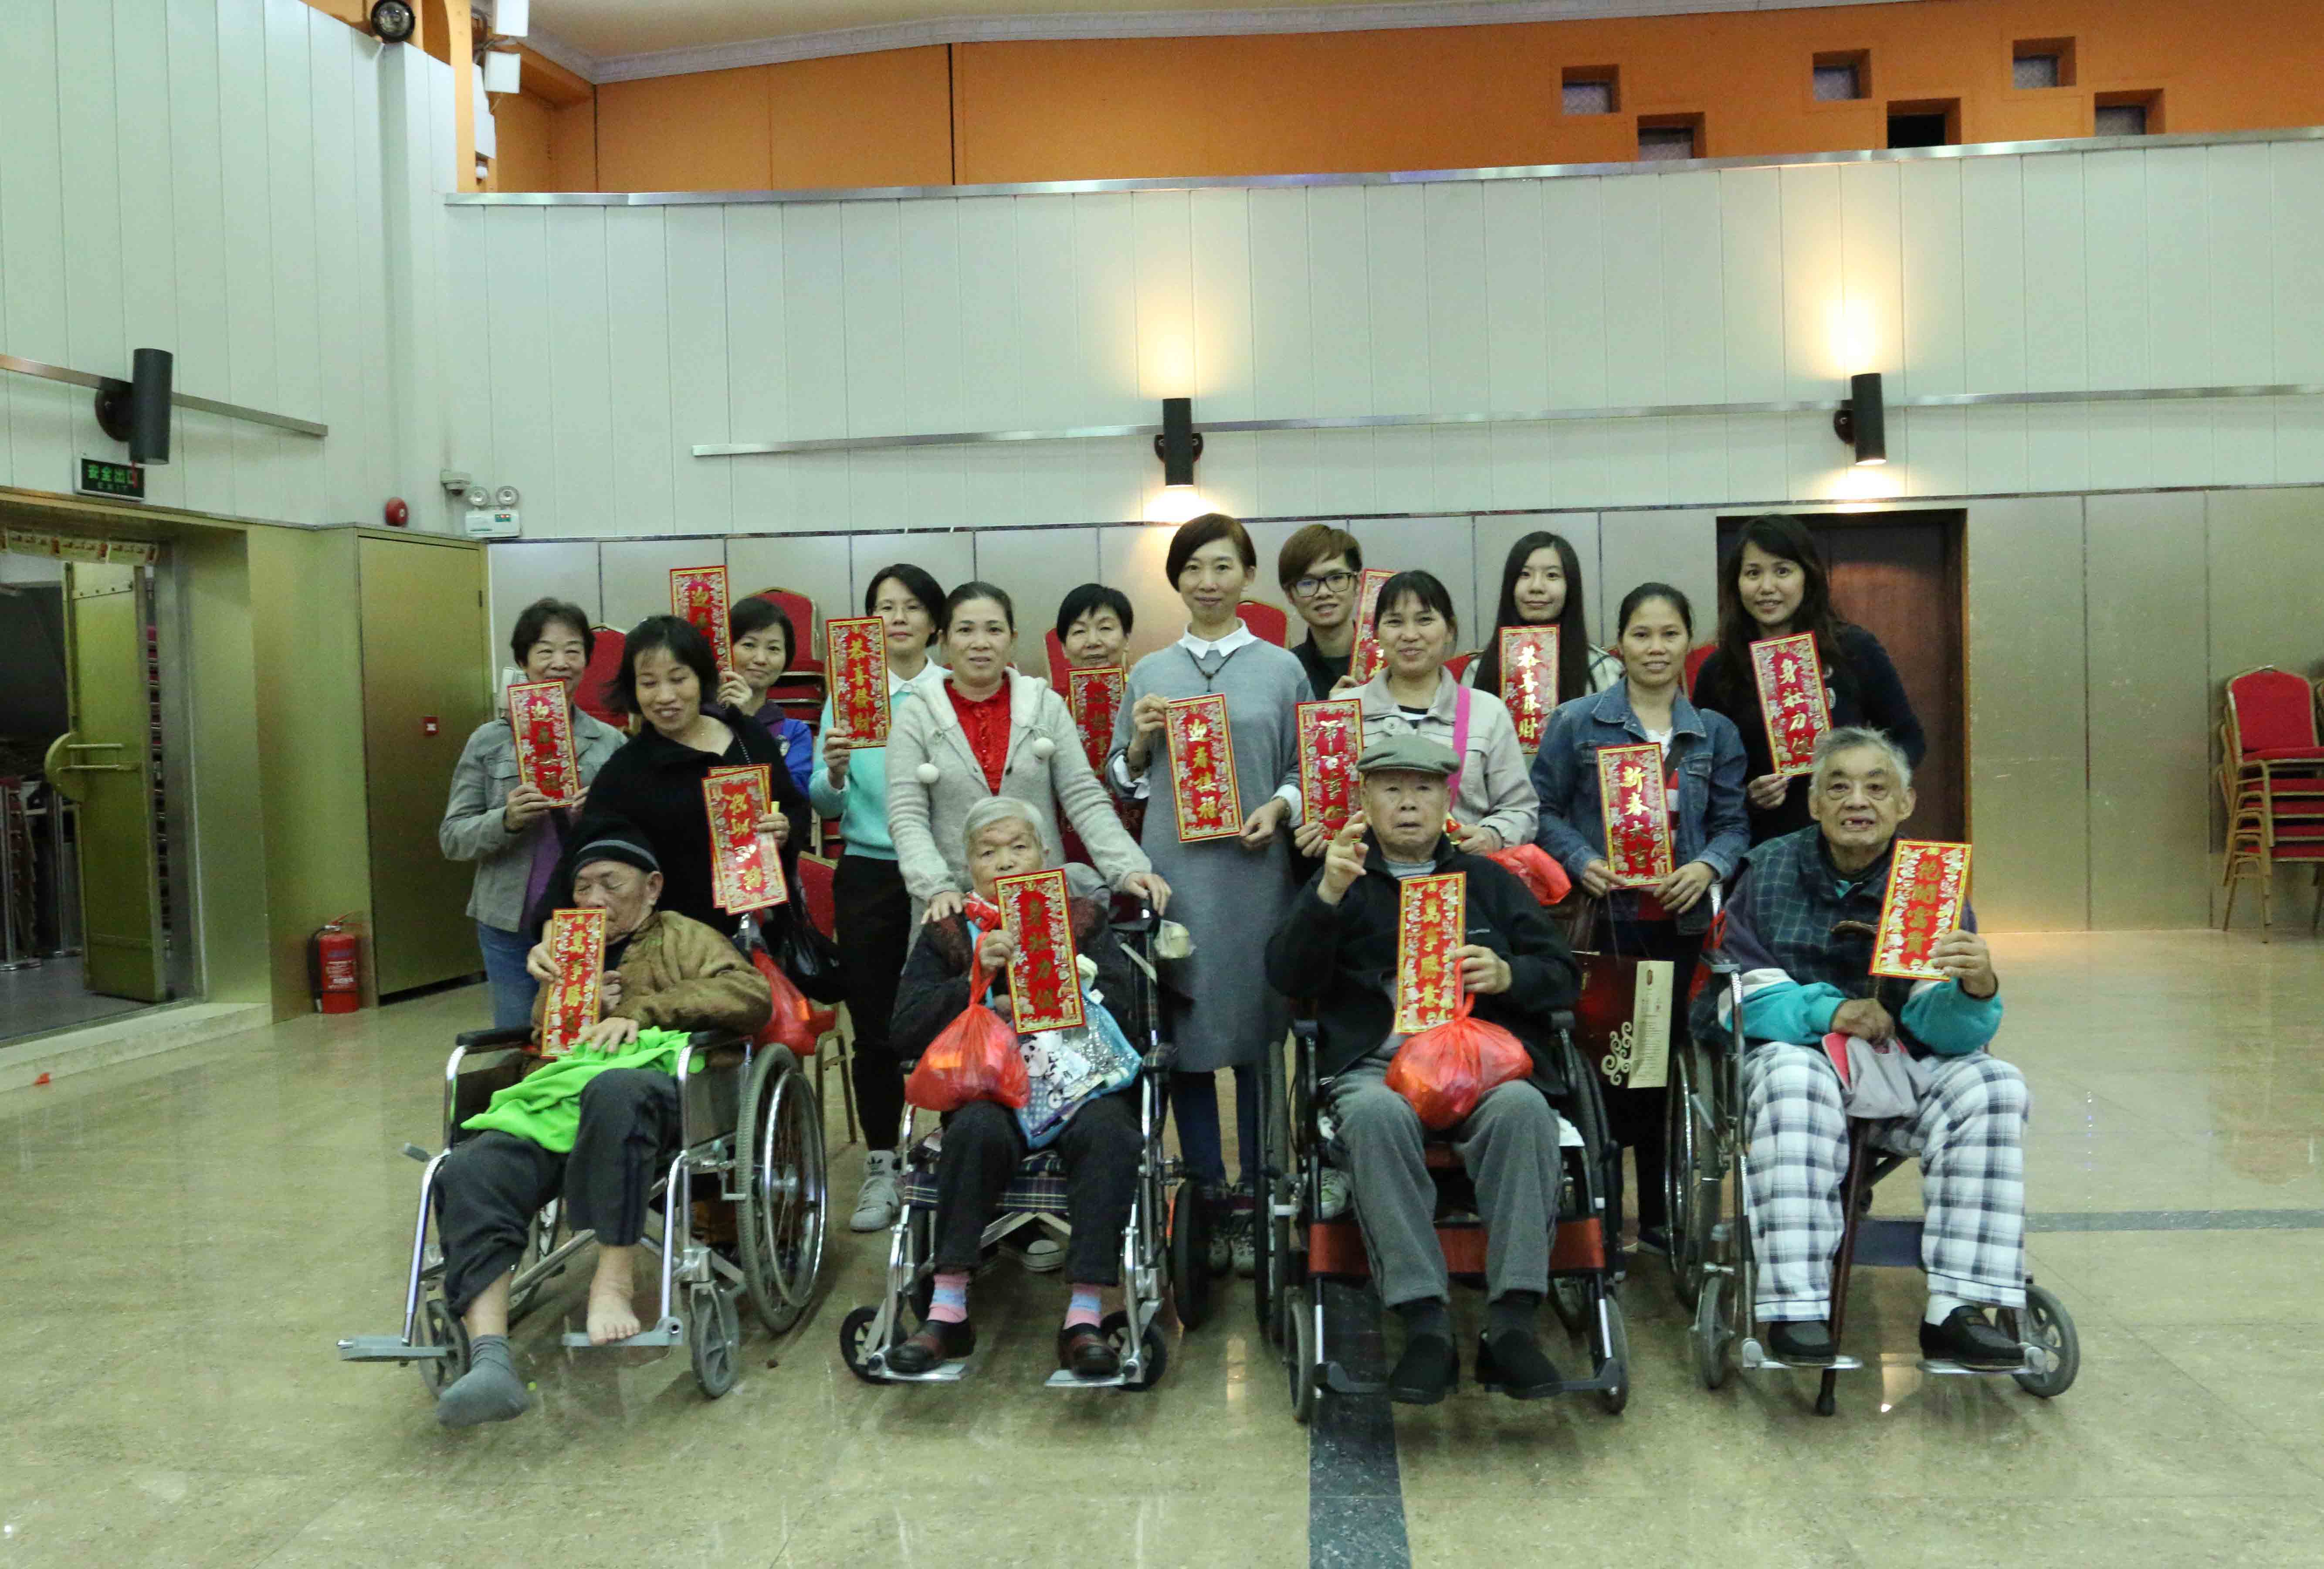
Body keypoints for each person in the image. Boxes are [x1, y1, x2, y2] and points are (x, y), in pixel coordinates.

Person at [1265, 736, 1582, 1404]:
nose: (1407, 804)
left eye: (1423, 790)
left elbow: (1561, 975)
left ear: (1446, 801)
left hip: (1479, 1066)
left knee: (1525, 1111)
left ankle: (1511, 1322)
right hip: (1376, 1069)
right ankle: (1425, 1323)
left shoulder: (1487, 881)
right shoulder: (1342, 879)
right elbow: (1286, 977)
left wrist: (1509, 974)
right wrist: (1326, 895)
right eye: (1391, 789)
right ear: (1365, 800)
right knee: (1374, 1116)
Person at [431, 828, 773, 1428]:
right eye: (582, 886)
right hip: (559, 1099)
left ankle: (611, 1283)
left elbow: (748, 995)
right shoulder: (566, 946)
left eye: (610, 884)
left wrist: (641, 1010)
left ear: (652, 887)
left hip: (657, 1096)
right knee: (472, 1166)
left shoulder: (683, 935)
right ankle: (489, 1356)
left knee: (615, 1091)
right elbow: (545, 1040)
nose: (593, 898)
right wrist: (569, 999)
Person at [1707, 727, 2026, 1370]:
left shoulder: (1929, 881)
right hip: (1803, 1062)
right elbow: (1738, 997)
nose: (1858, 801)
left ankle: (1958, 1307)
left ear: (1905, 803)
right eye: (1839, 787)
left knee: (1995, 1086)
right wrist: (1830, 1012)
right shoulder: (1766, 872)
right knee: (1792, 1078)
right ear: (1814, 803)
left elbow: (1948, 1031)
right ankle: (1797, 1305)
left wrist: (1976, 990)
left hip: (1905, 1066)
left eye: (1877, 788)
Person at [883, 798, 1149, 1377]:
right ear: (968, 865)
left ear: (1045, 855)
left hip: (1081, 1088)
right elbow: (904, 1028)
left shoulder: (1083, 919)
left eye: (1019, 847)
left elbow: (1130, 1015)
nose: (1005, 862)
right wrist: (975, 982)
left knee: (1111, 1132)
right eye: (988, 852)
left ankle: (1084, 1315)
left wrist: (1074, 982)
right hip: (992, 1090)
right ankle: (948, 1308)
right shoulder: (948, 930)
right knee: (974, 1129)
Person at [1110, 513, 1308, 1277]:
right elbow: (1122, 780)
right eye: (1192, 568)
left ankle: (1261, 1195)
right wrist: (1139, 742)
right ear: (1176, 581)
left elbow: (1304, 766)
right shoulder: (1149, 673)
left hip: (1256, 875)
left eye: (1223, 566)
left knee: (1257, 1036)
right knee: (1186, 1041)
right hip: (1178, 879)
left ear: (1247, 576)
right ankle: (1207, 1198)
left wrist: (1280, 809)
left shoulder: (1281, 670)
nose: (1208, 581)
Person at [1531, 582, 1748, 1257]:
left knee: (1661, 1069)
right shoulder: (1576, 723)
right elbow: (1541, 809)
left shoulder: (1714, 732)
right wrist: (1581, 859)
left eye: (1669, 634)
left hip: (1677, 925)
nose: (1656, 648)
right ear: (1619, 644)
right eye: (1641, 635)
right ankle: (1598, 1217)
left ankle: (1656, 1217)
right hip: (1603, 922)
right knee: (1601, 1069)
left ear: (1689, 642)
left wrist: (1706, 866)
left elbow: (1734, 823)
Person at [887, 581, 1169, 929]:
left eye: (994, 630)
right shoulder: (916, 715)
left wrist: (1128, 867)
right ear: (944, 640)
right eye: (966, 630)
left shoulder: (1045, 705)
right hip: (953, 907)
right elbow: (907, 816)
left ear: (1012, 639)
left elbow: (1084, 798)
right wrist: (936, 887)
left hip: (1042, 902)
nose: (981, 643)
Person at [812, 564, 952, 1236]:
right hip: (869, 871)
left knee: (960, 1016)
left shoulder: (952, 690)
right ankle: (881, 1162)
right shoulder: (848, 696)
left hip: (946, 874)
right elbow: (822, 800)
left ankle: (962, 1154)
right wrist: (835, 770)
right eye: (884, 608)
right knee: (872, 1024)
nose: (897, 619)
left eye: (911, 607)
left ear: (934, 622)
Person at [550, 615, 806, 936]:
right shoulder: (626, 769)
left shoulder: (747, 736)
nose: (665, 696)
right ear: (633, 690)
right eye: (649, 683)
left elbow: (793, 808)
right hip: (678, 944)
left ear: (701, 678)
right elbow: (583, 854)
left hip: (762, 933)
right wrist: (550, 926)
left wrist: (784, 829)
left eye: (678, 679)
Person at [441, 599, 625, 1029]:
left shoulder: (610, 743)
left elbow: (633, 836)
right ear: (523, 661)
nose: (560, 663)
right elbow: (453, 837)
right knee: (516, 1035)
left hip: (588, 918)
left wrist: (602, 813)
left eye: (573, 651)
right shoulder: (488, 742)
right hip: (508, 923)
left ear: (587, 661)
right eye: (545, 651)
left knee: (583, 1036)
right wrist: (505, 820)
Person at [1690, 514, 1926, 844]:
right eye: (1753, 573)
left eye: (1783, 571)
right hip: (1762, 849)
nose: (1767, 587)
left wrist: (1867, 785)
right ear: (1736, 583)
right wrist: (1746, 797)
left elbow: (1909, 739)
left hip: (1852, 841)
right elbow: (1702, 775)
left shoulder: (1854, 650)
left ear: (1808, 577)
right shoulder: (1719, 670)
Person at [1321, 570, 1535, 856]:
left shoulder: (1488, 712)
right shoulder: (1341, 712)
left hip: (1463, 873)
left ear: (1450, 629)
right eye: (1395, 622)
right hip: (1366, 876)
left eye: (1424, 620)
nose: (1410, 635)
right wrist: (1319, 834)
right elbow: (1322, 802)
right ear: (1376, 634)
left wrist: (1493, 835)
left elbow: (1521, 808)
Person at [1463, 530, 1623, 714]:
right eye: (1525, 574)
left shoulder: (1602, 669)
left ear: (1570, 587)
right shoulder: (1478, 671)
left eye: (1552, 575)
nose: (1536, 587)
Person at [717, 594, 816, 798]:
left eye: (773, 649)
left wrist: (747, 723)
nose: (761, 659)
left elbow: (794, 800)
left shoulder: (794, 733)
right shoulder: (700, 721)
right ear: (725, 648)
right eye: (749, 645)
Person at [1277, 523, 1365, 699]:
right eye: (1307, 583)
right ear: (1290, 595)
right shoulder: (1284, 672)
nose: (1324, 593)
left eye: (1337, 578)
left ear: (1358, 584)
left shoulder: (1390, 661)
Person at [1055, 582, 1134, 673]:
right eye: (1079, 631)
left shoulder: (1141, 681)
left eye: (1105, 628)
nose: (1093, 642)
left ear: (1127, 639)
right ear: (1064, 648)